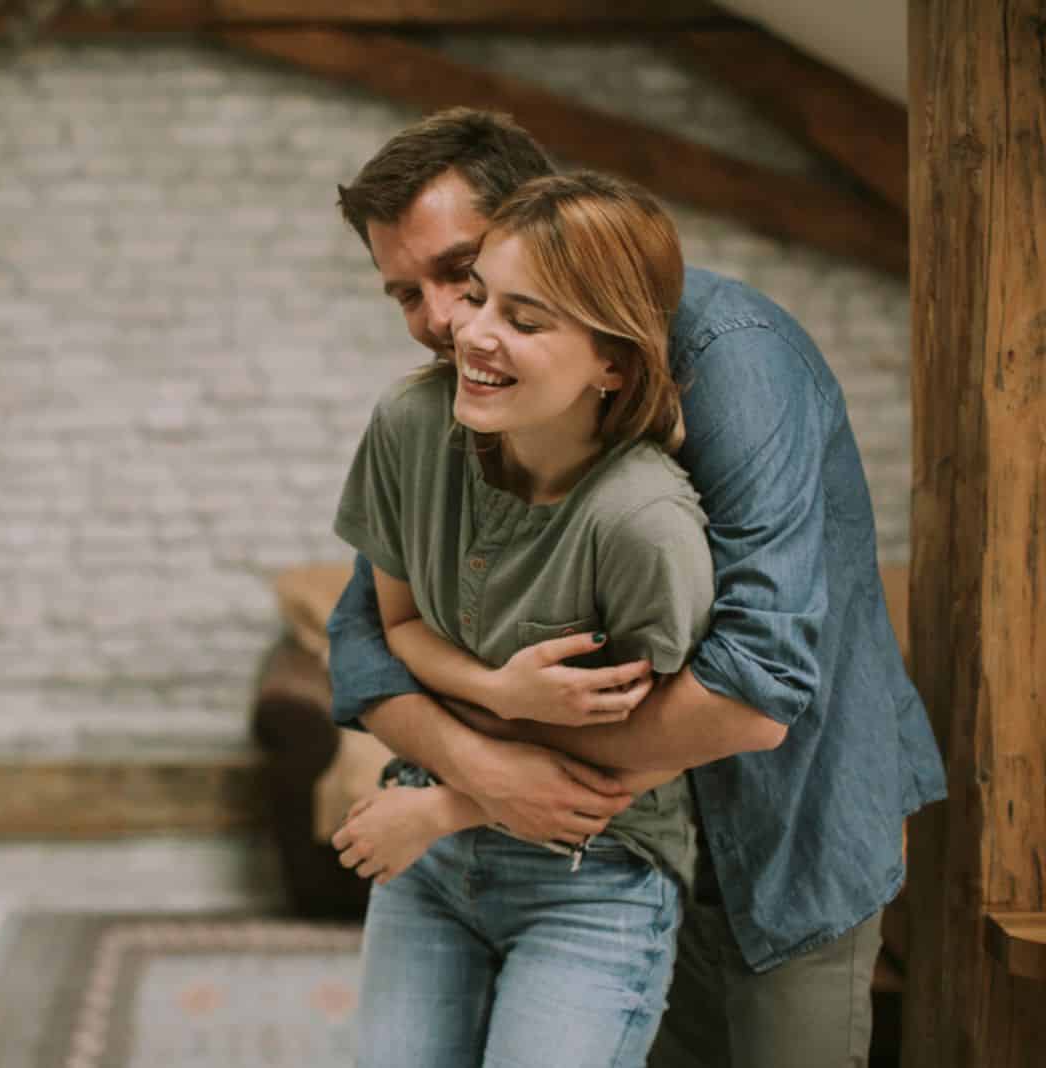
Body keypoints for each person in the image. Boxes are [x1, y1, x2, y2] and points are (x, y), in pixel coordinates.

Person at [324, 108, 947, 1068]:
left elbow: (752, 690)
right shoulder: (462, 409)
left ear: (535, 219)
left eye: (460, 272)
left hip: (782, 820)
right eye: (410, 292)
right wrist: (485, 762)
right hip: (616, 850)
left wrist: (470, 787)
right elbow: (367, 635)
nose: (446, 321)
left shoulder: (735, 367)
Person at [335, 170, 713, 1068]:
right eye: (480, 299)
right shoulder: (409, 425)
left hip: (594, 880)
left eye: (525, 320)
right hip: (430, 872)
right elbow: (395, 626)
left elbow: (649, 747)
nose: (469, 333)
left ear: (613, 363)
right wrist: (498, 689)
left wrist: (439, 809)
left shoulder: (645, 525)